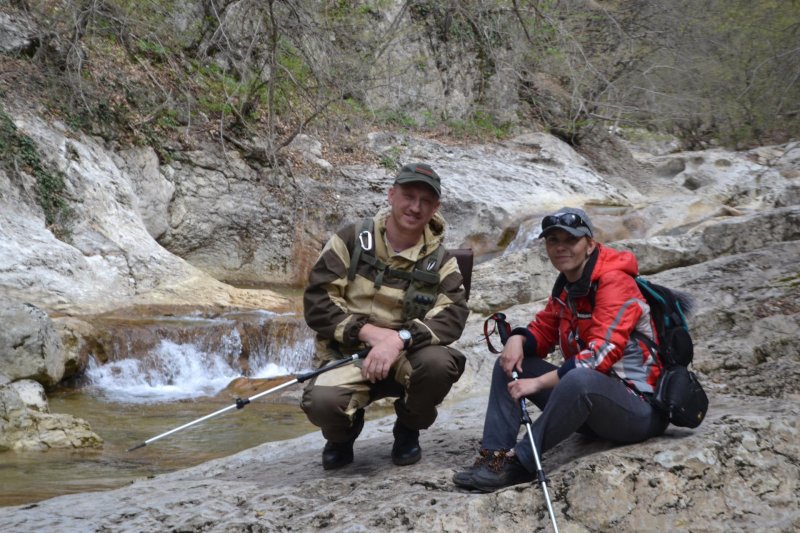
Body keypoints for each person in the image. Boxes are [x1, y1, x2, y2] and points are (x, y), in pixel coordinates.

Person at [453, 207, 669, 492]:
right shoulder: (570, 287)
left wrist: (539, 383)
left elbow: (599, 357)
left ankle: (521, 462)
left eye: (570, 239)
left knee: (579, 379)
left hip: (638, 410)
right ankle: (493, 459)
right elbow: (543, 332)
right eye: (553, 240)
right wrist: (517, 339)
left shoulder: (615, 282)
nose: (560, 247)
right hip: (593, 413)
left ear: (590, 244)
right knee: (511, 366)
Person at [301, 163, 469, 470]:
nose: (415, 207)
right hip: (351, 353)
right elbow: (318, 300)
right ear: (391, 195)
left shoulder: (442, 261)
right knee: (322, 403)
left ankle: (408, 427)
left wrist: (398, 339)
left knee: (439, 365)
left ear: (436, 208)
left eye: (425, 201)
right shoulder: (351, 240)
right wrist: (368, 334)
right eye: (408, 195)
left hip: (408, 355)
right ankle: (343, 434)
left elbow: (453, 315)